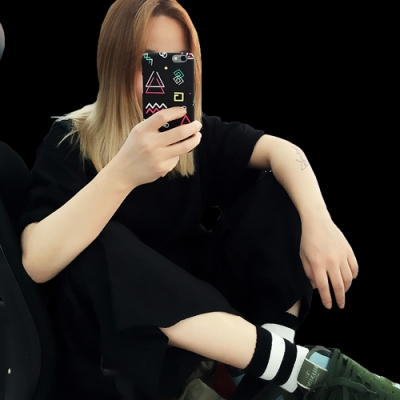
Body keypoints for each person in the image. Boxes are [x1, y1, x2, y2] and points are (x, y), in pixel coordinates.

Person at [18, 0, 399, 399]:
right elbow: (35, 261)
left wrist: (320, 222)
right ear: (115, 65)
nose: (164, 79)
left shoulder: (192, 136)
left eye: (177, 64)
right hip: (129, 349)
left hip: (217, 333)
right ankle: (302, 372)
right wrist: (123, 173)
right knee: (95, 240)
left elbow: (283, 151)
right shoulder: (70, 141)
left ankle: (260, 379)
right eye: (149, 63)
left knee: (284, 187)